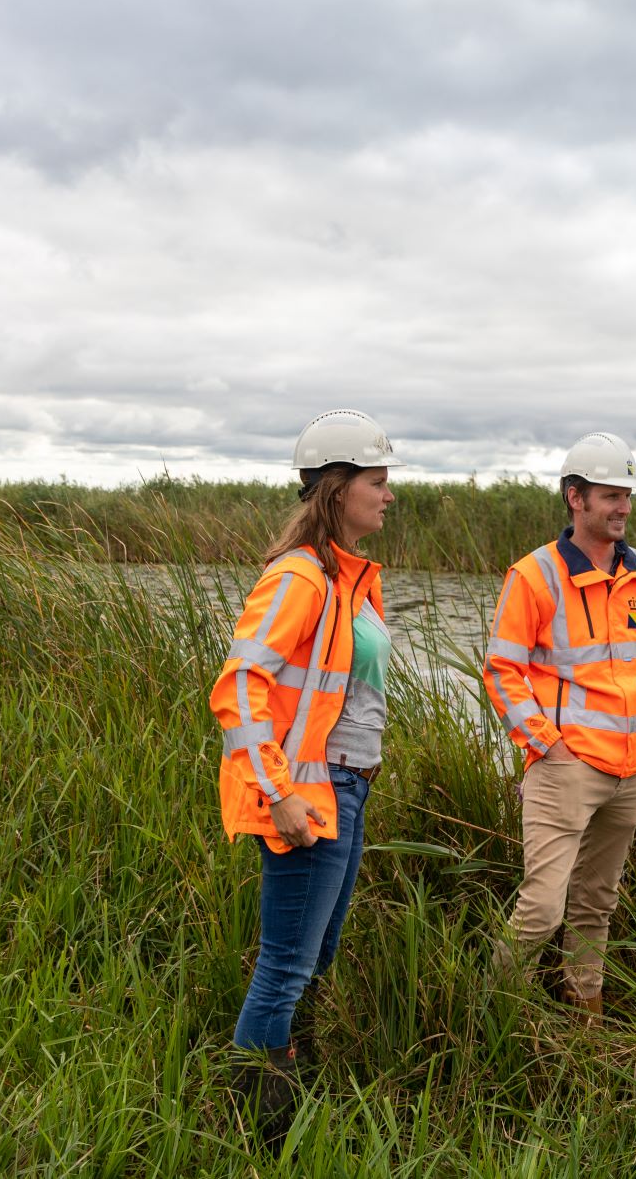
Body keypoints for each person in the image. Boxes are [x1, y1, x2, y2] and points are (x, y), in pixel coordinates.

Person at [209, 408, 401, 1145]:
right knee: (286, 967)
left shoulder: (350, 580)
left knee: (315, 957)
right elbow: (239, 688)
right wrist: (279, 791)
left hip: (346, 789)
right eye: (377, 482)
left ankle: (287, 1087)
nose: (388, 496)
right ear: (336, 486)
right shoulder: (299, 579)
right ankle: (256, 1127)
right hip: (308, 795)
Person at [483, 431, 636, 1020]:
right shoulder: (534, 575)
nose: (622, 507)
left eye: (628, 496)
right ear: (576, 498)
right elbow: (501, 671)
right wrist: (547, 744)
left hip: (635, 767)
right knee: (541, 910)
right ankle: (489, 1018)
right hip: (566, 768)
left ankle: (583, 1012)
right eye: (610, 495)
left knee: (597, 903)